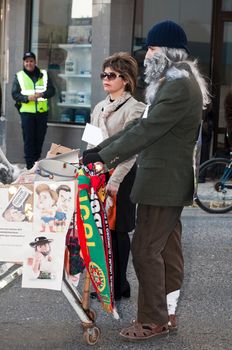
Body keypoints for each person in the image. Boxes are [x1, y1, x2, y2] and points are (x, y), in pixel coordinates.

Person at [83, 20, 210, 340]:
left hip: (163, 183)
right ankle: (167, 311)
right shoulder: (174, 81)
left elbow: (146, 130)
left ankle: (152, 320)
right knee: (167, 250)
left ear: (167, 51)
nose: (147, 54)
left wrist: (102, 157)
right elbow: (140, 126)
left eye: (152, 48)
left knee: (145, 250)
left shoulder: (178, 85)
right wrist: (100, 150)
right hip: (165, 180)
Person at [84, 52, 145, 301]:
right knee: (101, 230)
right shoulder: (99, 106)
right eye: (104, 74)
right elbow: (91, 144)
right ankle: (107, 282)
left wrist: (115, 181)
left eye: (112, 75)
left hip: (123, 175)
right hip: (98, 174)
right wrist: (86, 170)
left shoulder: (136, 108)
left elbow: (131, 151)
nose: (105, 79)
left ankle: (120, 284)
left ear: (126, 79)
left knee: (119, 230)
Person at [12, 51, 55, 170]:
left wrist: (42, 94)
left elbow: (52, 90)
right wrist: (27, 98)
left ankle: (36, 162)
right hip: (27, 113)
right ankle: (30, 165)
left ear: (35, 62)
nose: (29, 63)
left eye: (31, 61)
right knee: (29, 139)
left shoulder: (44, 74)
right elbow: (14, 94)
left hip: (42, 112)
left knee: (39, 139)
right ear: (23, 62)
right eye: (26, 61)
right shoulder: (19, 76)